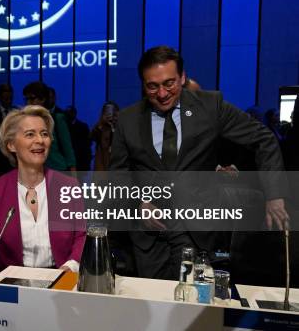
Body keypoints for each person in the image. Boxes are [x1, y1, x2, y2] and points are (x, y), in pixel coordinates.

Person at [109, 45, 289, 280]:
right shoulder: (127, 119)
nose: (162, 94)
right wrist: (137, 204)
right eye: (152, 86)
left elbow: (263, 138)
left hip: (196, 230)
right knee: (154, 308)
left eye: (169, 83)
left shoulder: (210, 106)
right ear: (143, 84)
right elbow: (118, 175)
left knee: (191, 306)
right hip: (149, 236)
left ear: (182, 77)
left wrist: (274, 195)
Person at [0, 105, 85, 272]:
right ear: (11, 145)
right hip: (12, 286)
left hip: (61, 280)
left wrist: (70, 267)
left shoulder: (69, 187)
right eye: (30, 134)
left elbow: (82, 236)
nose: (40, 140)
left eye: (44, 134)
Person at [23, 81, 76, 171]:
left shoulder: (57, 119)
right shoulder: (24, 121)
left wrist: (73, 174)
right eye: (26, 99)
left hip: (56, 169)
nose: (28, 102)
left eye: (32, 99)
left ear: (43, 99)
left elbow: (68, 149)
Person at [90, 101, 119, 171]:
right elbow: (91, 137)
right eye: (107, 112)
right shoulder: (100, 127)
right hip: (102, 164)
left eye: (112, 111)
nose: (110, 114)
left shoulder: (121, 125)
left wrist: (114, 124)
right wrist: (101, 123)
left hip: (117, 164)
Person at [65, 105, 92, 172]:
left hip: (80, 162)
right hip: (66, 163)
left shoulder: (83, 127)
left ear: (75, 113)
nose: (69, 115)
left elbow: (87, 145)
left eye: (71, 112)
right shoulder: (63, 126)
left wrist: (87, 164)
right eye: (67, 113)